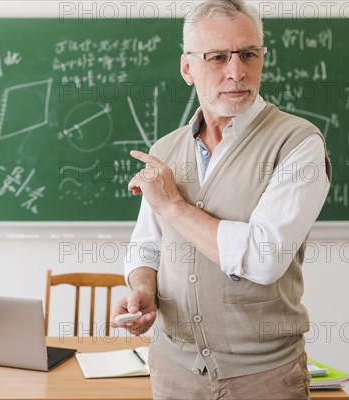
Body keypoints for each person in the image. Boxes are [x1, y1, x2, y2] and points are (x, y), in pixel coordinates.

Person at [112, 0, 331, 398]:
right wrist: (142, 288)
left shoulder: (298, 144)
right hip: (173, 369)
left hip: (264, 379)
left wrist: (172, 205)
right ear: (187, 68)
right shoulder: (165, 148)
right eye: (217, 57)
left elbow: (263, 258)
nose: (237, 72)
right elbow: (147, 245)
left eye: (249, 54)